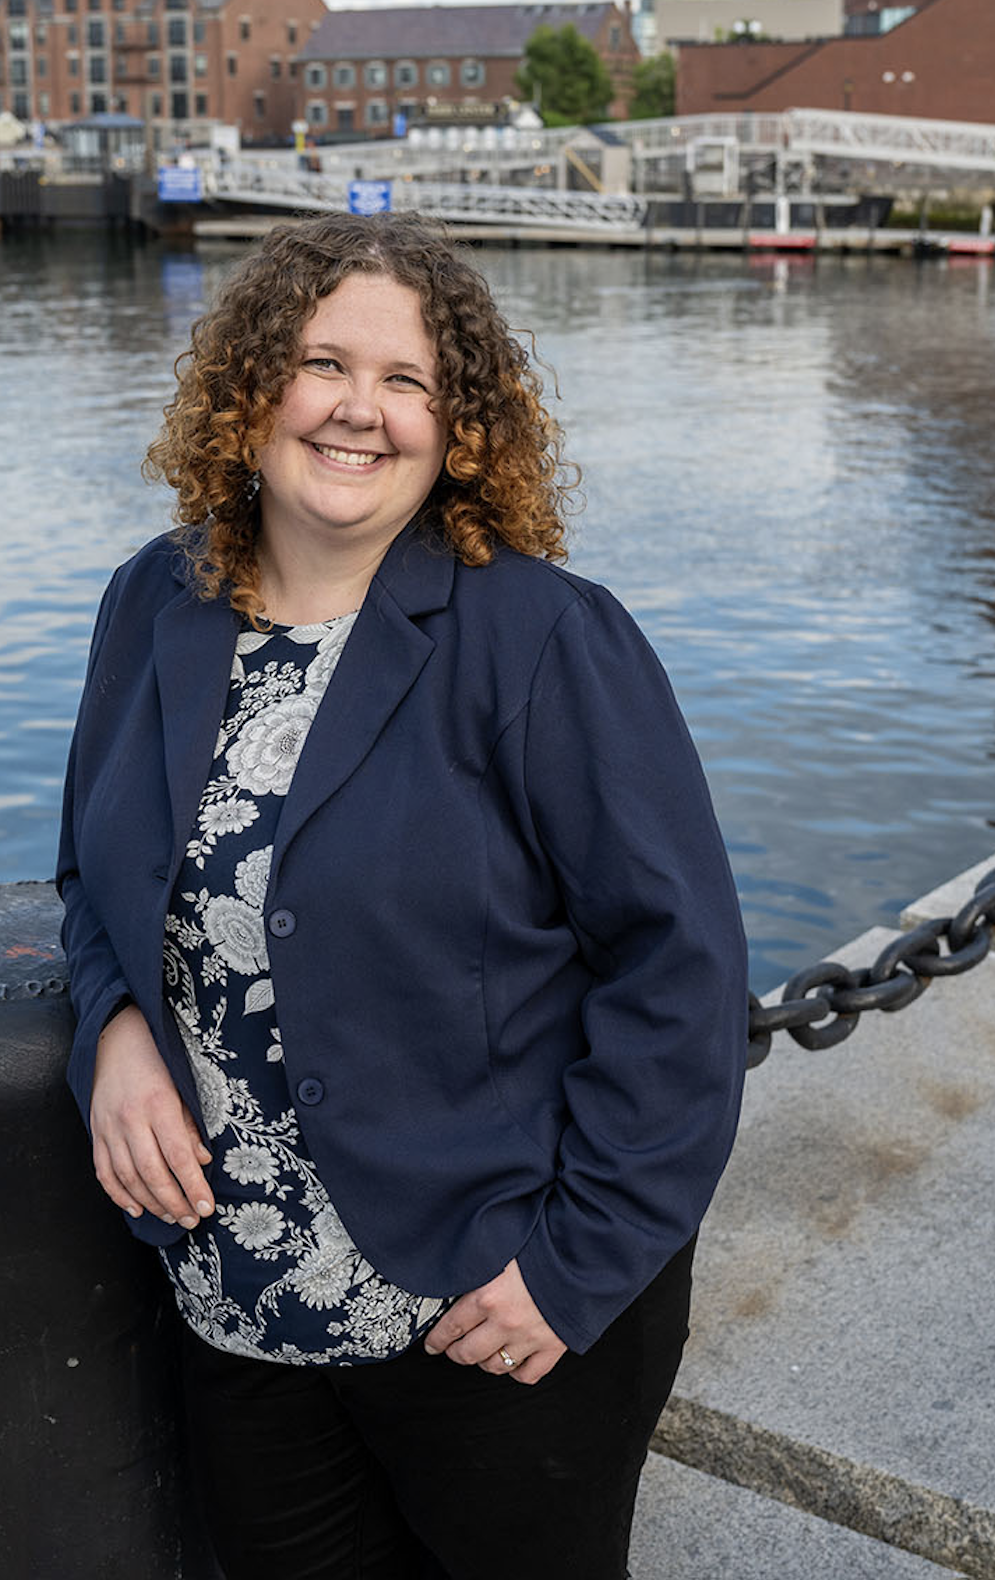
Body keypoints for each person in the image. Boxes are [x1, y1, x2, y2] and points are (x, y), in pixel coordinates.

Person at [57, 212, 747, 1580]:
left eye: (409, 381)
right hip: (234, 1297)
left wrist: (576, 1264)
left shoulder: (541, 636)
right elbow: (92, 876)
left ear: (458, 425)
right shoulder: (155, 600)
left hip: (487, 1304)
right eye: (323, 363)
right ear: (253, 386)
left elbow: (678, 969)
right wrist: (116, 1034)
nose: (360, 411)